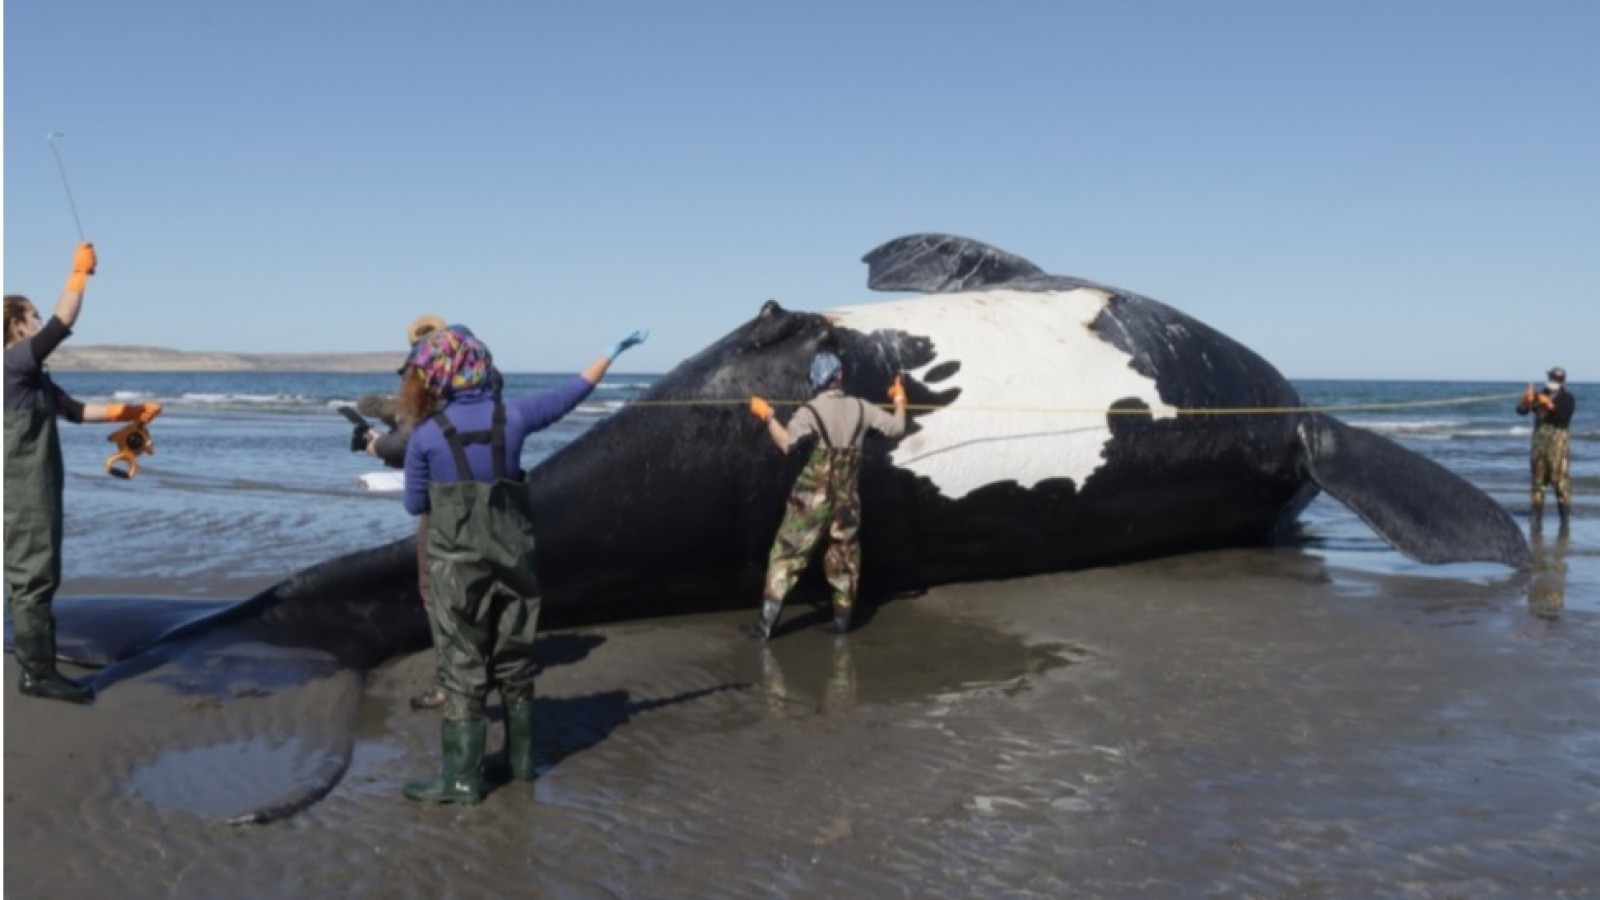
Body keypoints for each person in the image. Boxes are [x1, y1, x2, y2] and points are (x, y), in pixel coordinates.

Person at [400, 324, 647, 803]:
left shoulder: (427, 436)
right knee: (514, 658)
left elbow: (414, 506)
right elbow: (575, 392)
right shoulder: (513, 415)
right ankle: (520, 762)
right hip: (514, 561)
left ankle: (462, 779)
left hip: (456, 568)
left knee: (461, 662)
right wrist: (610, 352)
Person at [4, 244, 161, 704]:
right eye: (30, 316)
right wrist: (79, 274)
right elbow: (63, 323)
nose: (37, 322)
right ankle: (36, 674)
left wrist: (133, 411)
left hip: (37, 485)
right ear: (15, 325)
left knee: (39, 572)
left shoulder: (33, 379)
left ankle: (40, 666)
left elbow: (75, 411)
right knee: (32, 575)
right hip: (20, 488)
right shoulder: (13, 364)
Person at [744, 351, 907, 640]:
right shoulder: (862, 407)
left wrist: (767, 415)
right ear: (839, 377)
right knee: (844, 556)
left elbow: (787, 444)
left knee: (786, 554)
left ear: (815, 380)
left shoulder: (809, 412)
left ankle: (766, 626)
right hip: (847, 499)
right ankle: (842, 624)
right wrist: (899, 399)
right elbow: (897, 428)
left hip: (811, 499)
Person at [1516, 366, 1576, 527]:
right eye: (1551, 378)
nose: (1552, 381)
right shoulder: (1540, 394)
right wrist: (1527, 399)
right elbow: (1521, 411)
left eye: (1556, 379)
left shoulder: (1567, 398)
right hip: (1539, 448)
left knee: (1560, 485)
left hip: (1558, 450)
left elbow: (1562, 417)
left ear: (1562, 381)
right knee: (1537, 484)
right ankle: (1536, 518)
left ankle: (1564, 521)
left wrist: (1548, 404)